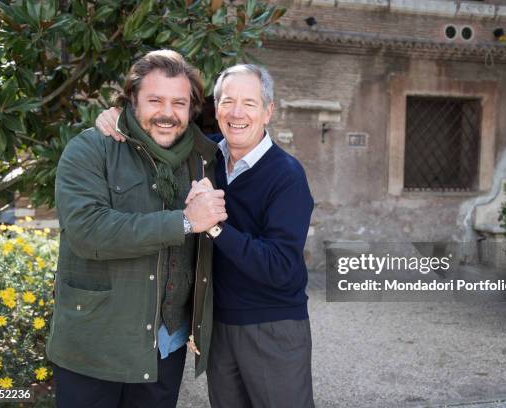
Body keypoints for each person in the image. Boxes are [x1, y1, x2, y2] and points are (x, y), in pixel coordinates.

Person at [96, 64, 315, 408]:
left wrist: (213, 227)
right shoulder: (205, 156)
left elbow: (281, 266)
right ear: (216, 108)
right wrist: (116, 118)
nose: (237, 113)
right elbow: (158, 131)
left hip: (272, 326)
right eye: (227, 101)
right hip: (218, 326)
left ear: (268, 111)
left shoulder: (286, 176)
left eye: (250, 103)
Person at [47, 49, 227, 408]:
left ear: (192, 107)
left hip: (166, 344)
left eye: (179, 102)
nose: (167, 113)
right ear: (131, 99)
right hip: (96, 344)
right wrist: (185, 222)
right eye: (154, 100)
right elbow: (87, 231)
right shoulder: (90, 149)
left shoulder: (204, 158)